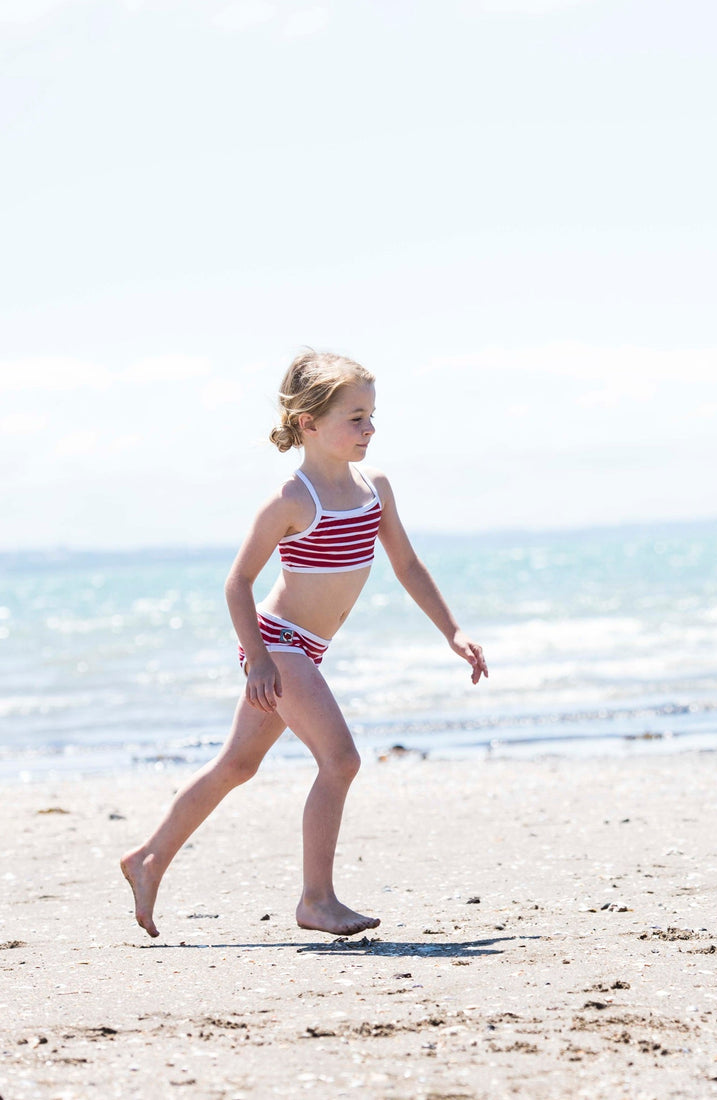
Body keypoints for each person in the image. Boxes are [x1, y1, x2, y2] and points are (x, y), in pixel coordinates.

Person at [121, 350, 488, 938]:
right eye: (356, 418)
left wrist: (454, 631)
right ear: (308, 424)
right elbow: (237, 582)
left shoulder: (376, 489)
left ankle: (147, 858)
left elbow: (408, 565)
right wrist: (259, 662)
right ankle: (316, 900)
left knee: (237, 765)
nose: (370, 429)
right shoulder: (294, 500)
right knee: (340, 759)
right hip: (278, 643)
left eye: (371, 416)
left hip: (305, 649)